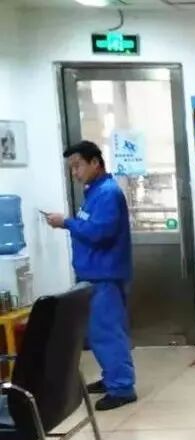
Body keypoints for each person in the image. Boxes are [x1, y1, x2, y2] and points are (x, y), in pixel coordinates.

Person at [45, 141, 136, 411]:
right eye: (71, 168)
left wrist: (66, 222)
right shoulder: (95, 192)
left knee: (108, 333)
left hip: (104, 276)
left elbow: (99, 233)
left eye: (78, 166)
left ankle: (122, 388)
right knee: (99, 333)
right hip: (94, 275)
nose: (75, 173)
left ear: (95, 162)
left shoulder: (108, 193)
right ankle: (112, 378)